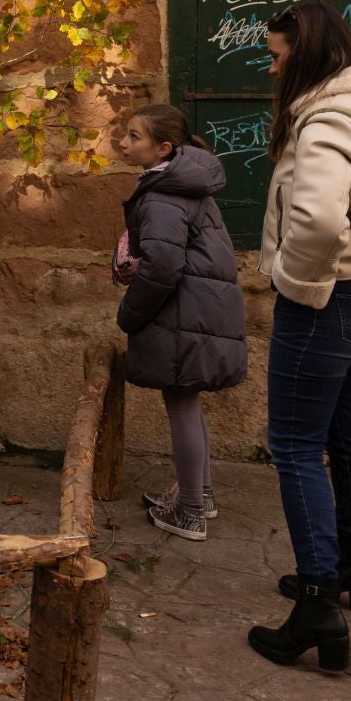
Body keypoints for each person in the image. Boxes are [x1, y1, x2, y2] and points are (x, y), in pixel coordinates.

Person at [249, 1, 351, 673]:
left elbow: (315, 223)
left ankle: (318, 600)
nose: (271, 63)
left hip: (329, 298)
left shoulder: (324, 124)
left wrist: (294, 284)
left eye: (277, 52)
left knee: (293, 446)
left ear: (305, 54)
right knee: (347, 434)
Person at [112, 104, 248, 543]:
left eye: (134, 137)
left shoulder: (164, 195)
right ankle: (200, 494)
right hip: (196, 311)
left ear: (163, 148)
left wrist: (129, 314)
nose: (123, 143)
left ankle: (190, 513)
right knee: (188, 402)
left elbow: (163, 266)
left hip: (183, 314)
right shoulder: (180, 183)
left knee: (182, 405)